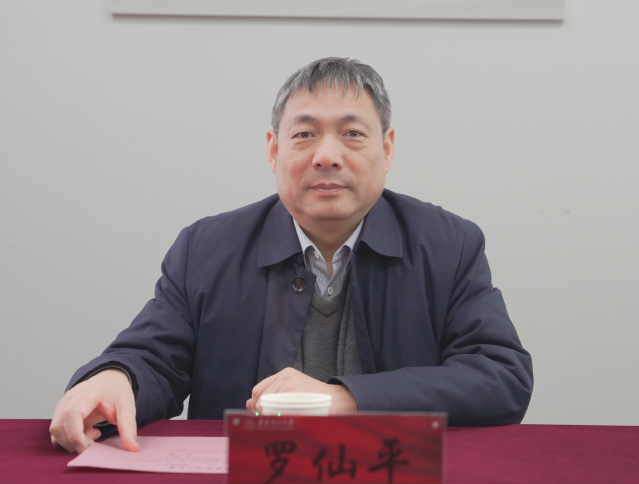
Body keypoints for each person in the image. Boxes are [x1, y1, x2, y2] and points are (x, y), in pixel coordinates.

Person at [50, 57, 533, 454]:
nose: (327, 156)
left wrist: (347, 399)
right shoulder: (206, 248)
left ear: (387, 149)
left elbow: (501, 376)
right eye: (304, 135)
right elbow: (152, 358)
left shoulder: (448, 245)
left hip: (393, 480)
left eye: (352, 133)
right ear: (273, 150)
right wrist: (116, 377)